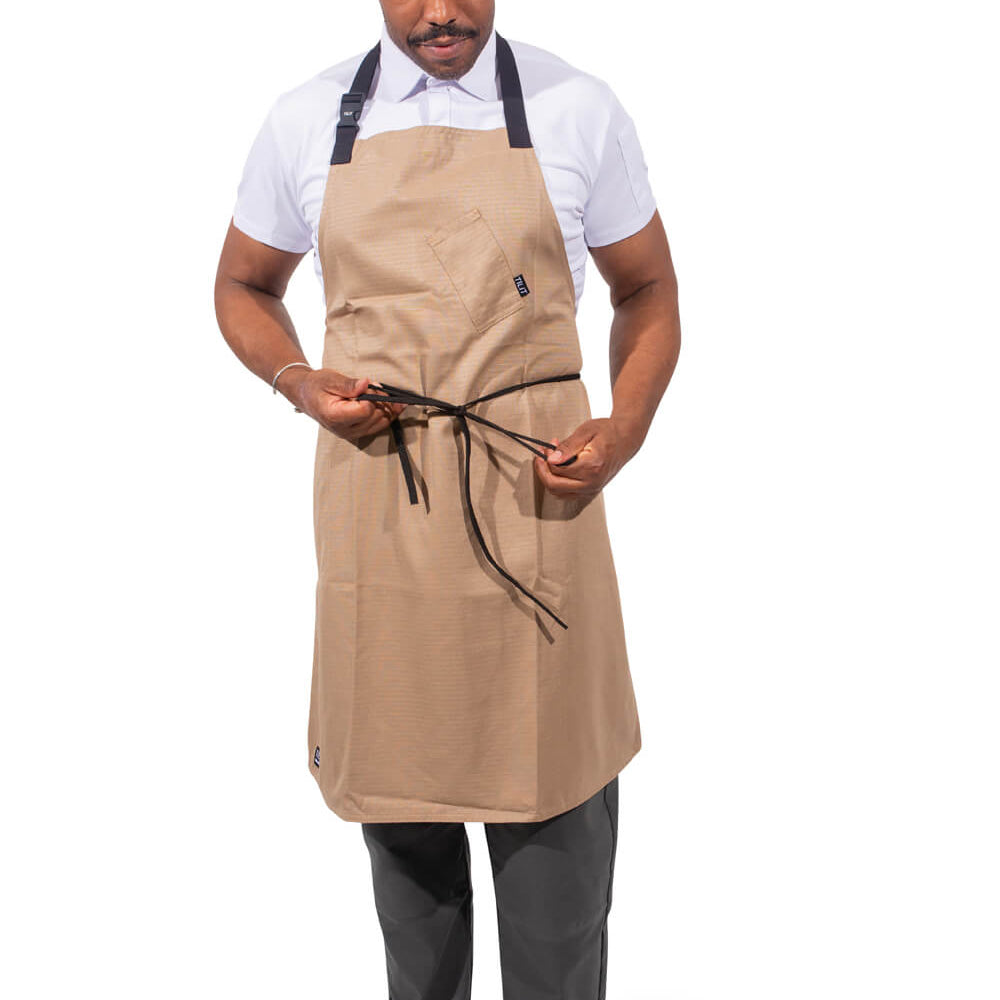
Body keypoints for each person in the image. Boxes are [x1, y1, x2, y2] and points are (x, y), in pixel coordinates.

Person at [214, 2, 680, 997]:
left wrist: (626, 425)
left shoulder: (576, 108)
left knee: (558, 878)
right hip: (383, 506)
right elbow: (243, 284)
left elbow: (646, 289)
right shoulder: (306, 120)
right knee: (410, 881)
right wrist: (301, 383)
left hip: (537, 501)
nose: (439, 12)